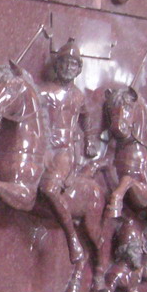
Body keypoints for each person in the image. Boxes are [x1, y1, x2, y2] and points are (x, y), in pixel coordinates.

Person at [37, 39, 98, 264]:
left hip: (63, 151)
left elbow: (87, 117)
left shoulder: (78, 96)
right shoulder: (43, 92)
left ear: (78, 69)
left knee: (50, 189)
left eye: (73, 65)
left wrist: (90, 140)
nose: (68, 69)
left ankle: (72, 238)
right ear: (57, 65)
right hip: (41, 147)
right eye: (65, 63)